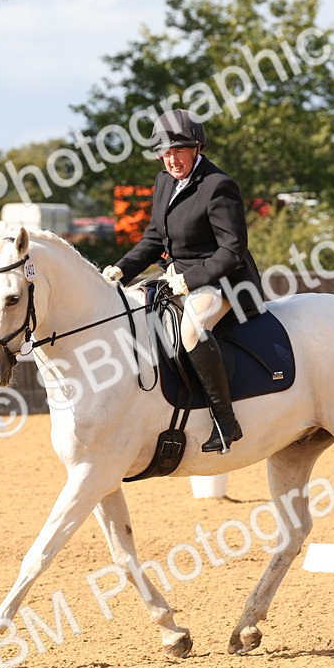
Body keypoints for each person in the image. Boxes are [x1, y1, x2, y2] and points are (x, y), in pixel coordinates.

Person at [102, 109, 264, 454]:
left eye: (179, 151)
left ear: (197, 148)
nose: (171, 159)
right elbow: (154, 238)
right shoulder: (164, 181)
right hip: (178, 277)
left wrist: (191, 280)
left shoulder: (219, 186)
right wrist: (122, 269)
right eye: (165, 153)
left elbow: (232, 250)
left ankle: (225, 420)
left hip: (225, 281)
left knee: (191, 329)